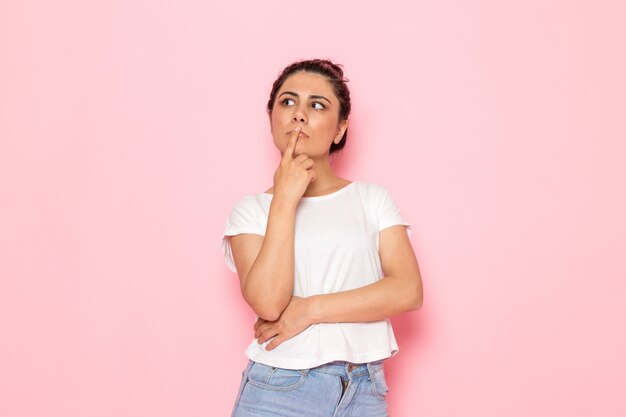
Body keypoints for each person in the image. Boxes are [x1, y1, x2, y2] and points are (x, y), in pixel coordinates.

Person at [221, 58, 423, 417]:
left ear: (340, 128)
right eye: (287, 102)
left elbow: (407, 290)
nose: (299, 115)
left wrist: (308, 310)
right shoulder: (251, 210)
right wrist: (284, 199)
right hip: (279, 388)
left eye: (317, 105)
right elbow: (268, 304)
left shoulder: (371, 199)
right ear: (272, 120)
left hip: (364, 389)